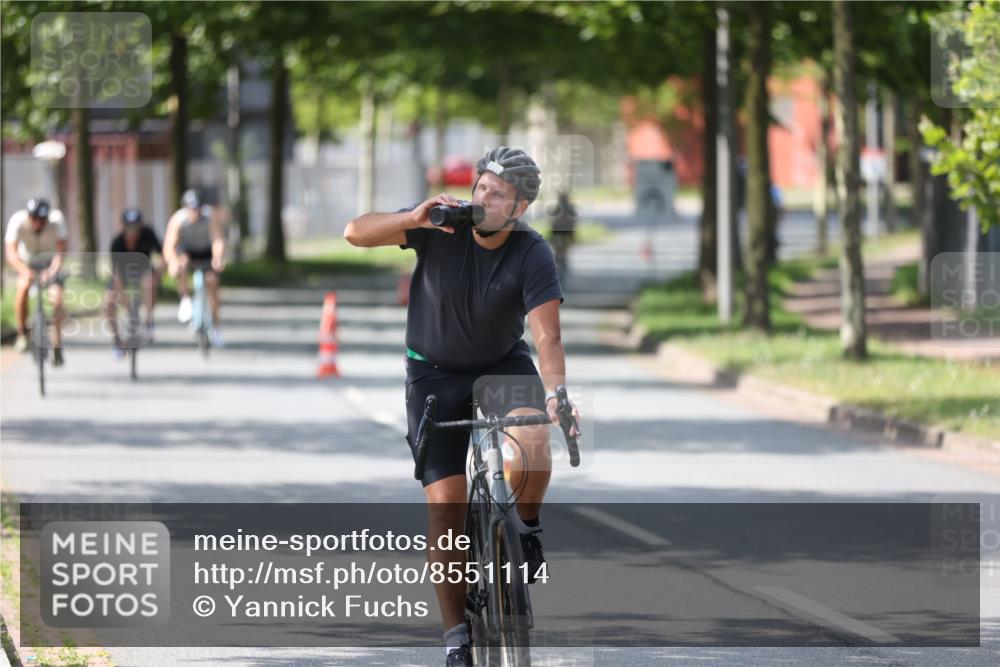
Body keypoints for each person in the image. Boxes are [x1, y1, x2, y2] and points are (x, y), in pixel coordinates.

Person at [344, 146, 581, 666]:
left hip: (502, 365)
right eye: (481, 187)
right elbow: (354, 233)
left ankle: (528, 530)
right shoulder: (440, 225)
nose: (482, 198)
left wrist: (557, 393)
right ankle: (456, 637)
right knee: (446, 507)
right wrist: (412, 218)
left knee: (534, 439)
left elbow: (547, 339)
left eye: (497, 194)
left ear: (518, 209)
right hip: (432, 373)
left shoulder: (532, 251)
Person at [4, 197, 68, 365]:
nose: (38, 223)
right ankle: (21, 334)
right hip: (26, 262)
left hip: (50, 262)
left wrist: (51, 271)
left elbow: (61, 252)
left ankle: (57, 344)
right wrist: (25, 271)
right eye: (34, 219)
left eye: (42, 220)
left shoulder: (57, 220)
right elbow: (11, 253)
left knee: (57, 299)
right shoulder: (17, 221)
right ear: (28, 216)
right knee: (22, 287)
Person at [162, 189, 226, 347]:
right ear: (185, 208)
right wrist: (173, 262)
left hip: (205, 251)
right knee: (180, 265)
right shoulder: (178, 219)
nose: (194, 212)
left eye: (197, 208)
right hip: (187, 250)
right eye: (191, 208)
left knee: (212, 282)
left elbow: (217, 239)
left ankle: (216, 327)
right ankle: (185, 299)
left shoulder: (209, 217)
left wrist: (217, 258)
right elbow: (169, 246)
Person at [104, 208, 162, 358]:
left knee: (150, 283)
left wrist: (159, 273)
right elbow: (116, 275)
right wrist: (127, 305)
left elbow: (161, 255)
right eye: (129, 227)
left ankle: (149, 321)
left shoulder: (148, 234)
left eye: (136, 227)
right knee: (108, 303)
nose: (132, 231)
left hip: (143, 269)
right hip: (121, 273)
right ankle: (117, 340)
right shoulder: (117, 243)